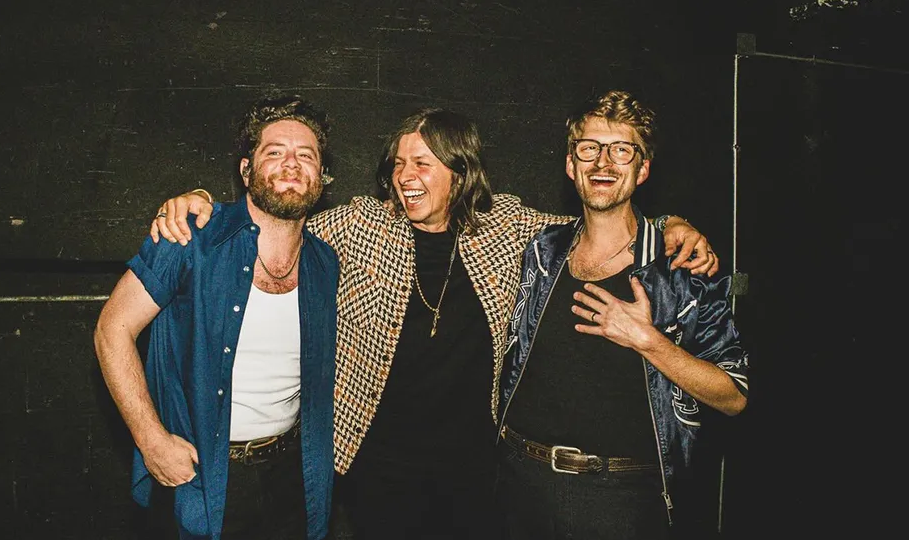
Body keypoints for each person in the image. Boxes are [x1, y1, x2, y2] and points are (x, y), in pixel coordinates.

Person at [149, 107, 719, 539]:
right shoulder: (360, 223)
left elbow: (599, 218)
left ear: (460, 171)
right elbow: (279, 214)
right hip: (373, 467)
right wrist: (199, 200)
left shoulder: (507, 226)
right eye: (398, 162)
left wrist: (671, 223)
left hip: (477, 472)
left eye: (423, 162)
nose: (405, 174)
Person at [496, 90, 749, 539]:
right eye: (590, 148)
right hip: (518, 483)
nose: (603, 163)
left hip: (621, 500)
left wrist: (647, 339)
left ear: (643, 168)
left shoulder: (681, 270)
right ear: (571, 165)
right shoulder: (543, 249)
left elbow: (735, 395)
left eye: (621, 150)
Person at [93, 93, 339, 540]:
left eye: (306, 155)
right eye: (274, 152)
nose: (291, 164)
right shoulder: (190, 237)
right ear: (246, 170)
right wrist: (151, 440)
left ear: (322, 176)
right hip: (208, 470)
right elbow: (113, 328)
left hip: (293, 470)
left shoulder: (326, 263)